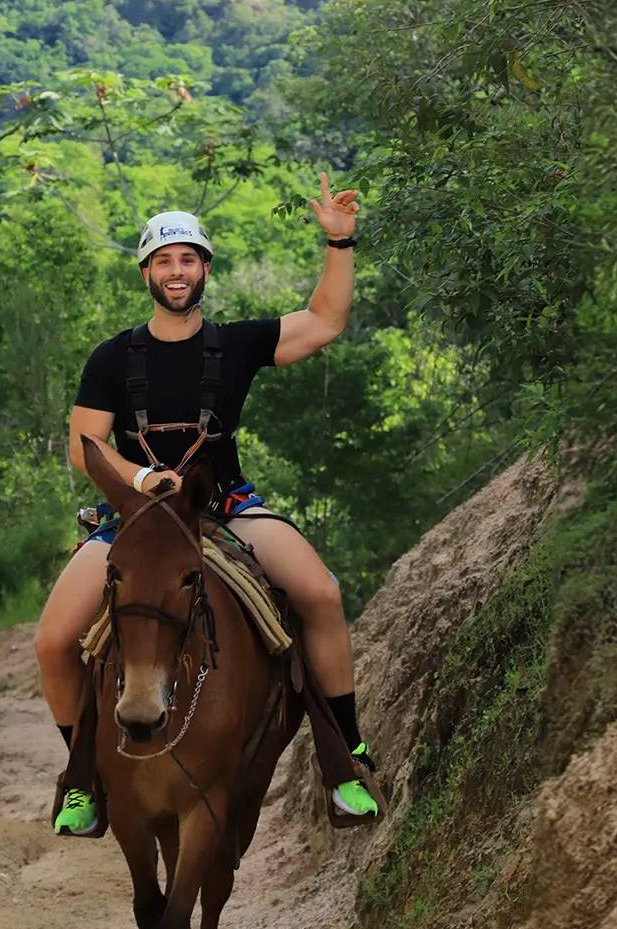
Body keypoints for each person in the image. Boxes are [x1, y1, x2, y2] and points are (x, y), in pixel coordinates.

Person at [37, 174, 380, 835]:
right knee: (54, 641)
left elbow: (325, 321)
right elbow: (85, 450)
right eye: (164, 260)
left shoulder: (238, 343)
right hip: (134, 520)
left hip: (224, 507)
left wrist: (341, 241)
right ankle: (85, 780)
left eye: (188, 258)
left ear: (204, 269)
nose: (176, 270)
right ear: (146, 272)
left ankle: (346, 762)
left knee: (320, 594)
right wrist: (140, 483)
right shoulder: (111, 358)